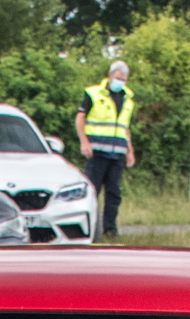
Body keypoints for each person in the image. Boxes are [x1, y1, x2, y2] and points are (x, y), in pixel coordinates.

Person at [77, 61, 137, 239]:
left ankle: (110, 229)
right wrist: (84, 142)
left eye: (124, 79)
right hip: (96, 151)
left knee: (114, 193)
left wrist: (130, 150)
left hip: (117, 153)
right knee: (92, 191)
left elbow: (125, 127)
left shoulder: (128, 99)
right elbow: (80, 118)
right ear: (110, 75)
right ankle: (90, 227)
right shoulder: (94, 93)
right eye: (118, 78)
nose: (121, 82)